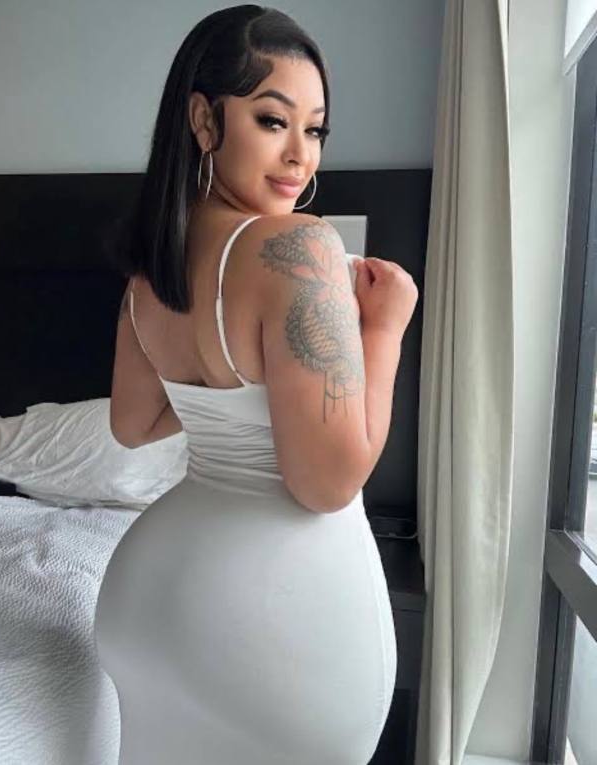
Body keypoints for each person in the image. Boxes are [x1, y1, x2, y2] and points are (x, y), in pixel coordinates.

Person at [93, 5, 418, 764]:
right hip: (276, 631)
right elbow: (328, 483)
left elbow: (133, 424)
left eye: (315, 130)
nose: (300, 155)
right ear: (204, 120)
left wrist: (242, 386)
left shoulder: (151, 271)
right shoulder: (298, 247)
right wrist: (385, 329)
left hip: (147, 608)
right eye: (273, 121)